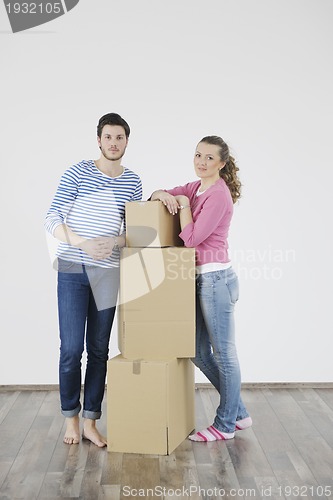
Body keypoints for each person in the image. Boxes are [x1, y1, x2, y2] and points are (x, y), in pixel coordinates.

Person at [45, 113, 142, 447]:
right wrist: (82, 242)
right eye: (108, 137)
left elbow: (135, 232)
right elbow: (52, 217)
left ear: (127, 141)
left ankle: (90, 422)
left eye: (120, 137)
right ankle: (70, 419)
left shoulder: (133, 182)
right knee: (71, 349)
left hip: (108, 273)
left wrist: (113, 243)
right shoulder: (78, 173)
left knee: (98, 349)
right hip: (73, 268)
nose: (114, 143)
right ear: (98, 140)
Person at [150, 136, 252, 441]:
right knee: (196, 349)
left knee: (224, 354)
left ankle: (225, 425)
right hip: (199, 279)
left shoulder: (218, 195)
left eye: (209, 158)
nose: (201, 162)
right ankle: (241, 414)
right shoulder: (197, 187)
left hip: (217, 280)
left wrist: (181, 206)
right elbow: (166, 192)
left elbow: (191, 237)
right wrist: (162, 194)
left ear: (221, 164)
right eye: (197, 155)